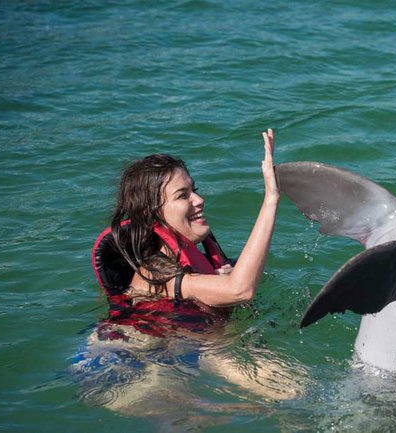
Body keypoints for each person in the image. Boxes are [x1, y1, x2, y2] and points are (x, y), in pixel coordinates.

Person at [82, 129, 302, 408]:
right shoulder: (153, 274)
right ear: (153, 215)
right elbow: (241, 290)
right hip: (121, 370)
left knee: (289, 395)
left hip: (176, 351)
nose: (199, 200)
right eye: (183, 195)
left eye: (194, 189)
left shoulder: (189, 267)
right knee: (289, 395)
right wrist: (271, 197)